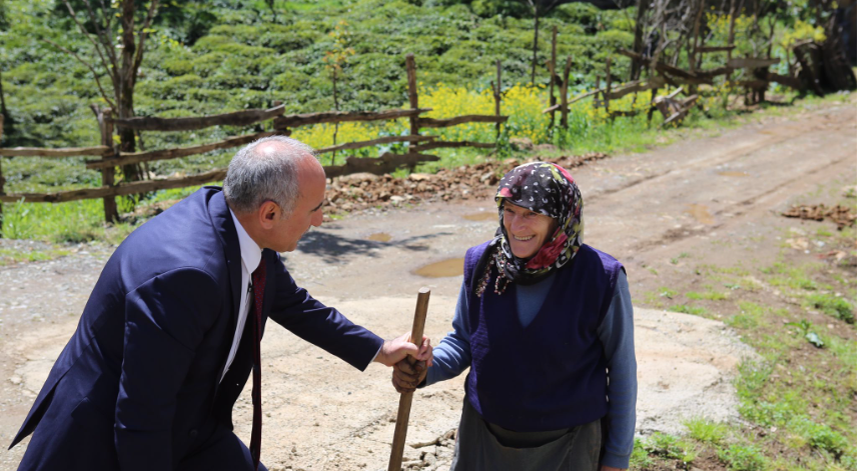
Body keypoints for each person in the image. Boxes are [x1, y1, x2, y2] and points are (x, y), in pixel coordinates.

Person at [9, 136, 432, 471]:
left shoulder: (233, 219)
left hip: (189, 425)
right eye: (316, 208)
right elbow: (141, 413)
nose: (321, 220)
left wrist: (380, 350)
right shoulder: (186, 276)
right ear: (269, 212)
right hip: (107, 445)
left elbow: (292, 303)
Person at [393, 162, 637, 471]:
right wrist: (425, 368)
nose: (516, 226)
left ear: (561, 217)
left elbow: (622, 372)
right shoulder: (483, 262)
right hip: (483, 438)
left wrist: (616, 459)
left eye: (532, 213)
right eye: (510, 210)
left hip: (568, 446)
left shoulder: (601, 278)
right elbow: (465, 341)